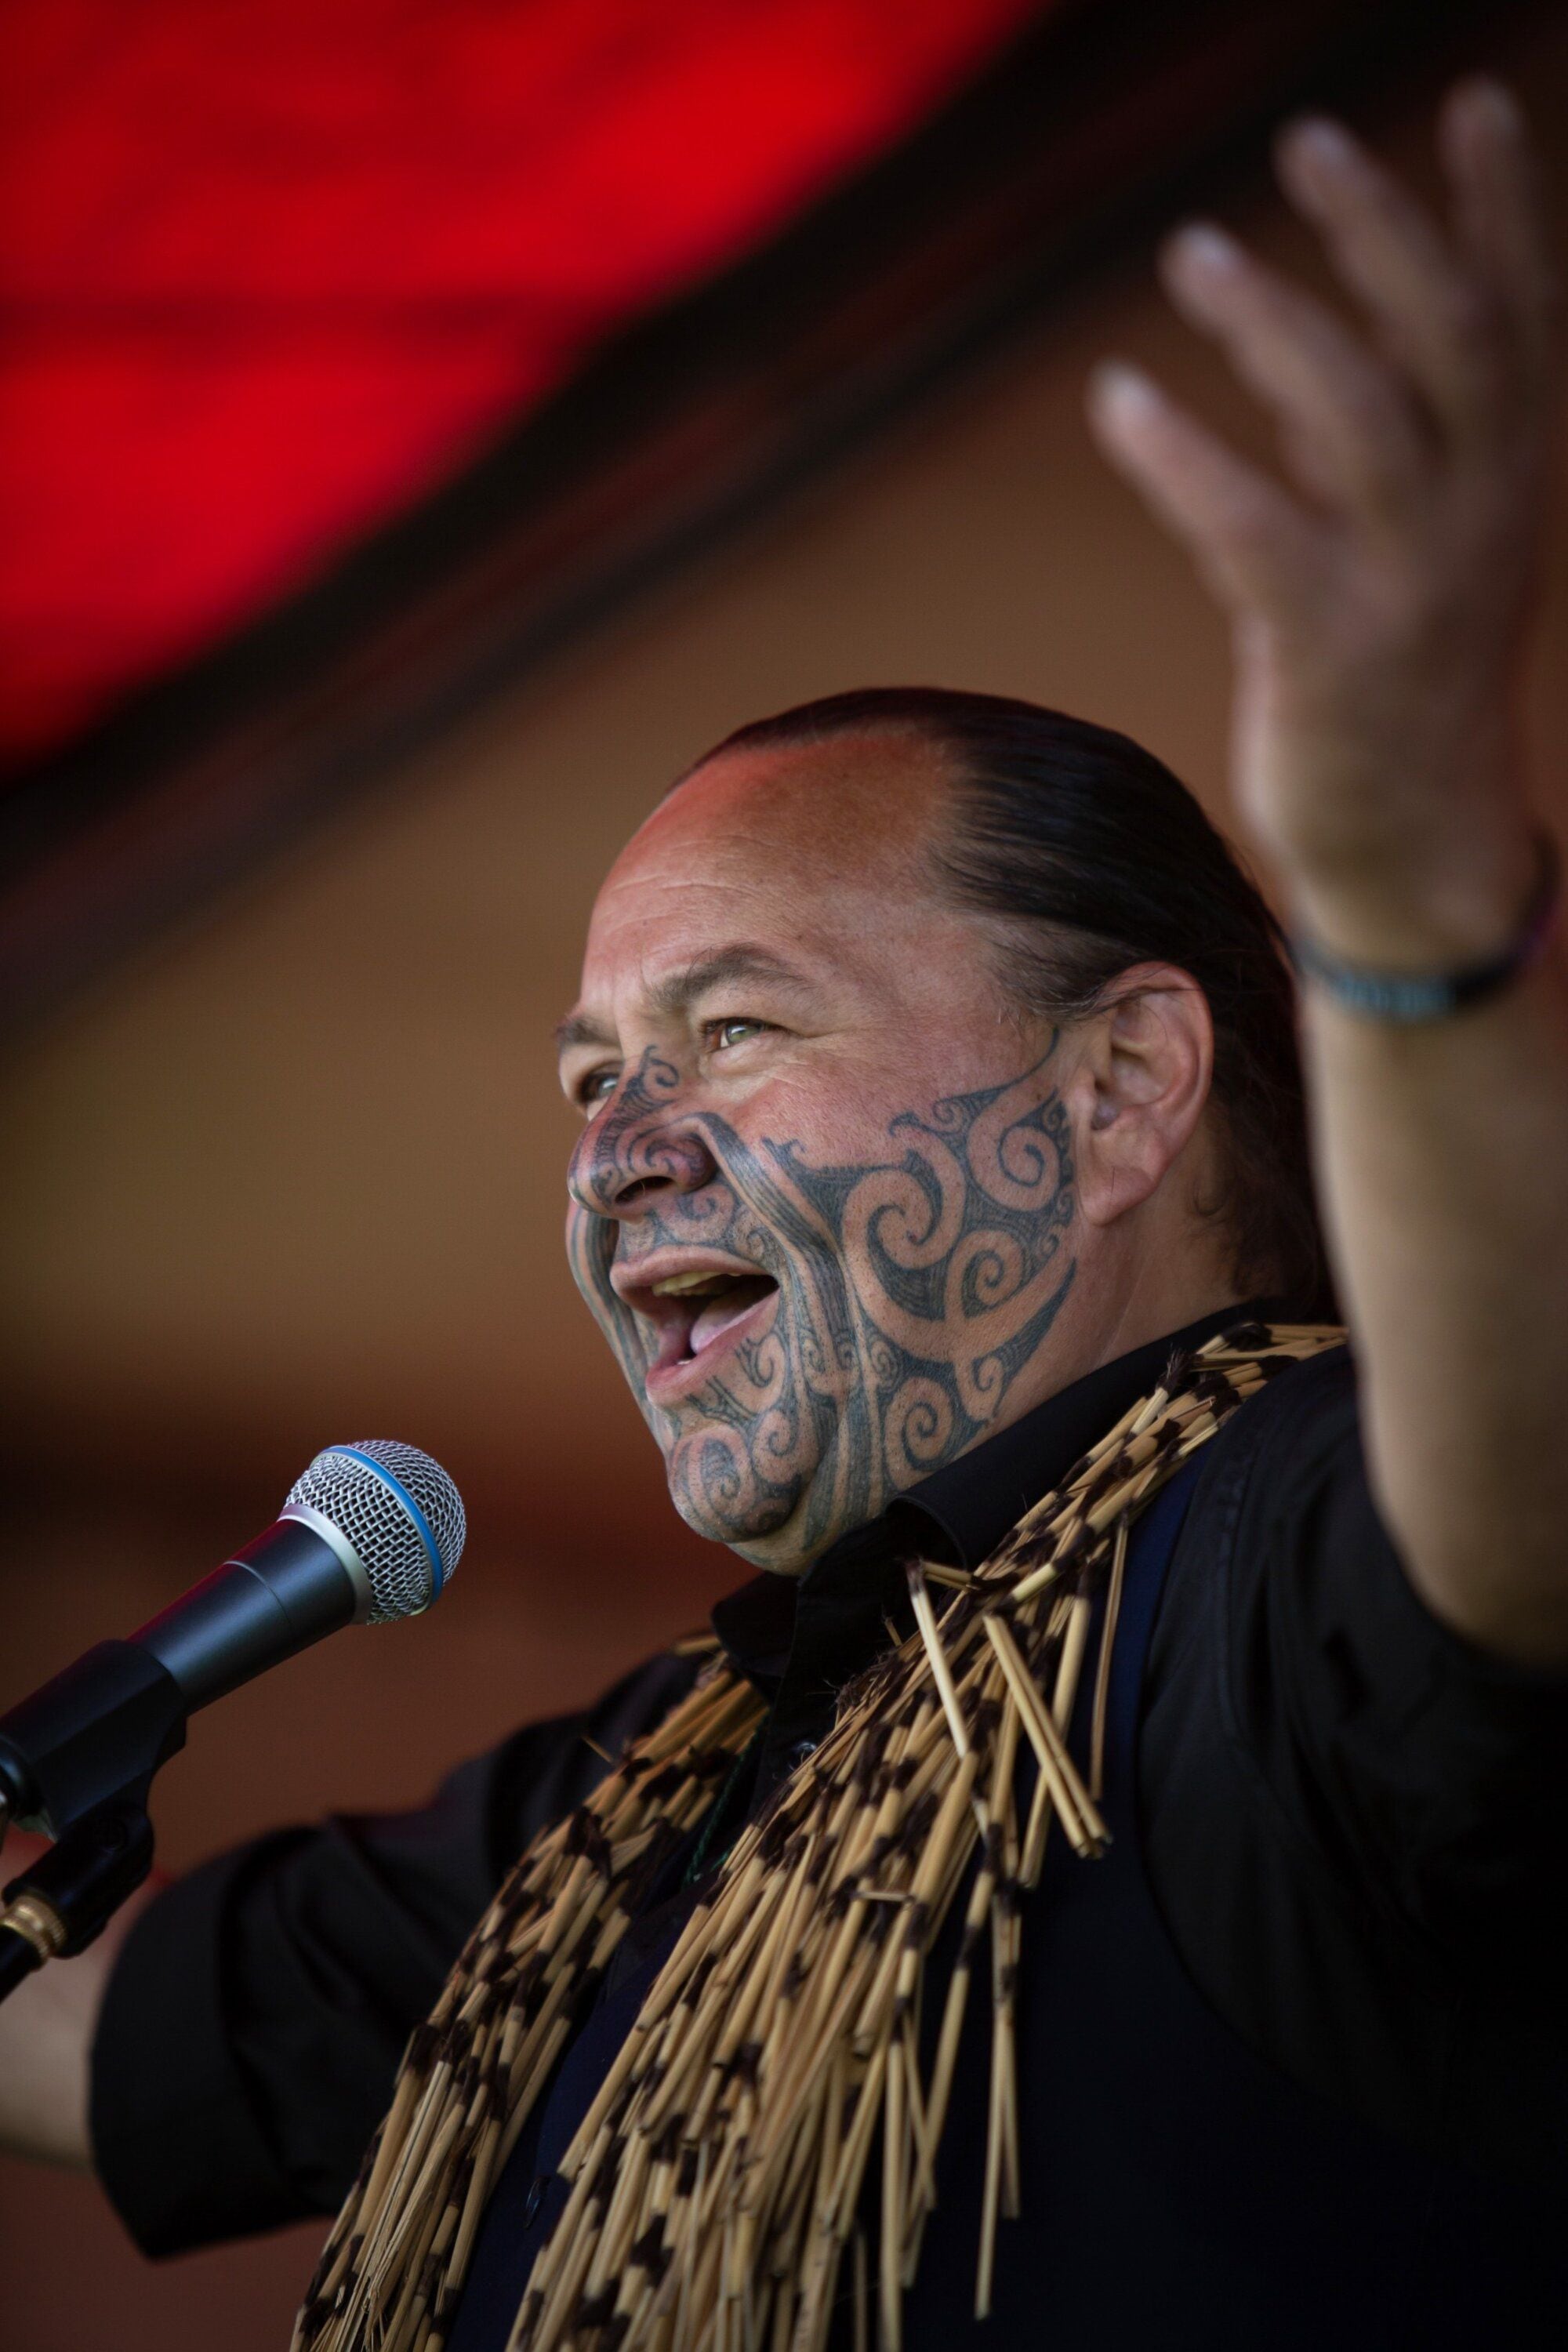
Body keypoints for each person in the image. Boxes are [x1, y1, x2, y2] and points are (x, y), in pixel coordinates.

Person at [3, 75, 1566, 2352]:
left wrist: (1411, 897)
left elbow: (1511, 1513)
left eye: (732, 1035)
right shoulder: (644, 1794)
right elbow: (83, 2032)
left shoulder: (1274, 1579)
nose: (619, 1145)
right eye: (588, 1080)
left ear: (1120, 1086)